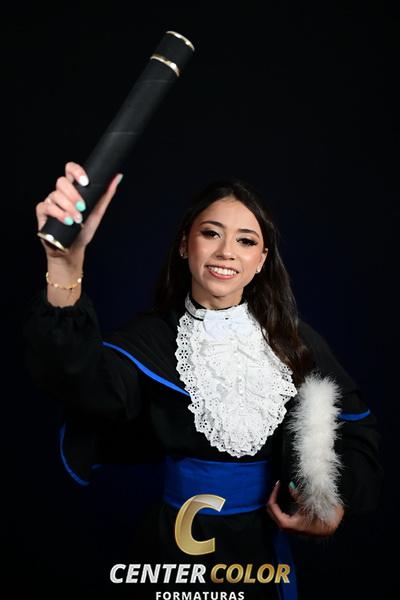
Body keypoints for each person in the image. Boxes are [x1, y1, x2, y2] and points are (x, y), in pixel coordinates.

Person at [22, 161, 382, 599]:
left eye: (246, 240)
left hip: (261, 558)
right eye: (211, 233)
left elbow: (356, 427)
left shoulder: (297, 342)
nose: (227, 251)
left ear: (261, 261)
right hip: (170, 554)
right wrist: (64, 265)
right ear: (184, 245)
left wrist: (332, 503)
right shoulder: (151, 339)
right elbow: (76, 378)